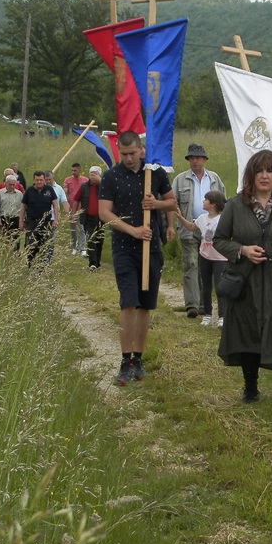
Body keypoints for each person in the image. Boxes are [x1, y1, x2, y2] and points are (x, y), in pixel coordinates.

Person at [213, 149, 272, 404]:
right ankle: (250, 387)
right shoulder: (235, 205)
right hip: (247, 282)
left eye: (270, 170)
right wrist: (242, 250)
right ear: (251, 175)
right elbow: (219, 240)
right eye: (259, 170)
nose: (265, 176)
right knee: (248, 334)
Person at [98, 131, 176, 386]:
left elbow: (172, 203)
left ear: (141, 150)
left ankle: (138, 357)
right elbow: (104, 212)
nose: (129, 158)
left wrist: (156, 205)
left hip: (151, 247)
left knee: (145, 304)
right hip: (124, 247)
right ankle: (124, 359)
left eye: (133, 153)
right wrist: (132, 230)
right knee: (128, 302)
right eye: (124, 154)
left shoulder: (155, 174)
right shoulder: (111, 176)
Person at [168, 144, 227, 319]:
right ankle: (192, 305)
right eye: (191, 158)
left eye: (198, 157)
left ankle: (204, 304)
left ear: (204, 160)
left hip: (212, 230)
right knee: (191, 264)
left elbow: (224, 203)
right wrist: (170, 225)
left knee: (206, 266)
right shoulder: (180, 179)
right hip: (189, 227)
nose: (195, 161)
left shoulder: (215, 179)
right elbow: (172, 204)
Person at [173, 190, 228, 327]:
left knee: (220, 287)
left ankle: (222, 316)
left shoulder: (223, 220)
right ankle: (207, 315)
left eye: (205, 199)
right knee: (206, 286)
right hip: (204, 256)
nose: (203, 201)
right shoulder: (202, 218)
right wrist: (180, 218)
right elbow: (192, 227)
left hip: (220, 258)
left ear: (213, 204)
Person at [18, 171, 60, 267]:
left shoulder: (49, 190)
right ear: (34, 180)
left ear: (44, 180)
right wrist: (21, 221)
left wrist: (56, 219)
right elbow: (23, 206)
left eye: (41, 180)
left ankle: (42, 266)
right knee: (30, 243)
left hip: (46, 222)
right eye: (37, 180)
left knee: (44, 244)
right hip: (32, 222)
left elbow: (55, 205)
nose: (39, 182)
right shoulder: (29, 191)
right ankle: (30, 263)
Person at [77, 166, 105, 271]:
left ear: (99, 175)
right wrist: (74, 215)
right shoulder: (84, 186)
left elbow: (112, 193)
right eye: (91, 174)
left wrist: (101, 182)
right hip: (88, 218)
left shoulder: (104, 186)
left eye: (95, 174)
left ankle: (97, 262)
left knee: (99, 241)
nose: (92, 176)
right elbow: (76, 199)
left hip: (101, 218)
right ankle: (92, 263)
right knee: (91, 240)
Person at [44, 171, 69, 263]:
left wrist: (66, 213)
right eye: (46, 180)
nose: (48, 181)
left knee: (51, 241)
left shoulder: (58, 189)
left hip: (53, 219)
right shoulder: (41, 188)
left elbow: (64, 202)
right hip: (42, 219)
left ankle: (48, 260)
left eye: (50, 179)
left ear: (52, 178)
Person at [64, 162, 88, 256]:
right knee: (73, 229)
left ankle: (82, 248)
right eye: (72, 170)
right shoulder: (68, 180)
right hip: (71, 208)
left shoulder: (85, 180)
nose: (73, 172)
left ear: (79, 170)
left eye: (75, 170)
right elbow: (65, 192)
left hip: (82, 209)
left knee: (82, 229)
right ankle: (74, 247)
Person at [0, 175, 23, 247]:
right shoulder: (0, 193)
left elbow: (22, 208)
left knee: (16, 242)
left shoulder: (19, 194)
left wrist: (22, 220)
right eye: (10, 185)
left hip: (15, 219)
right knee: (4, 241)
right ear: (5, 183)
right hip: (3, 219)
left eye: (13, 184)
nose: (12, 186)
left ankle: (15, 256)